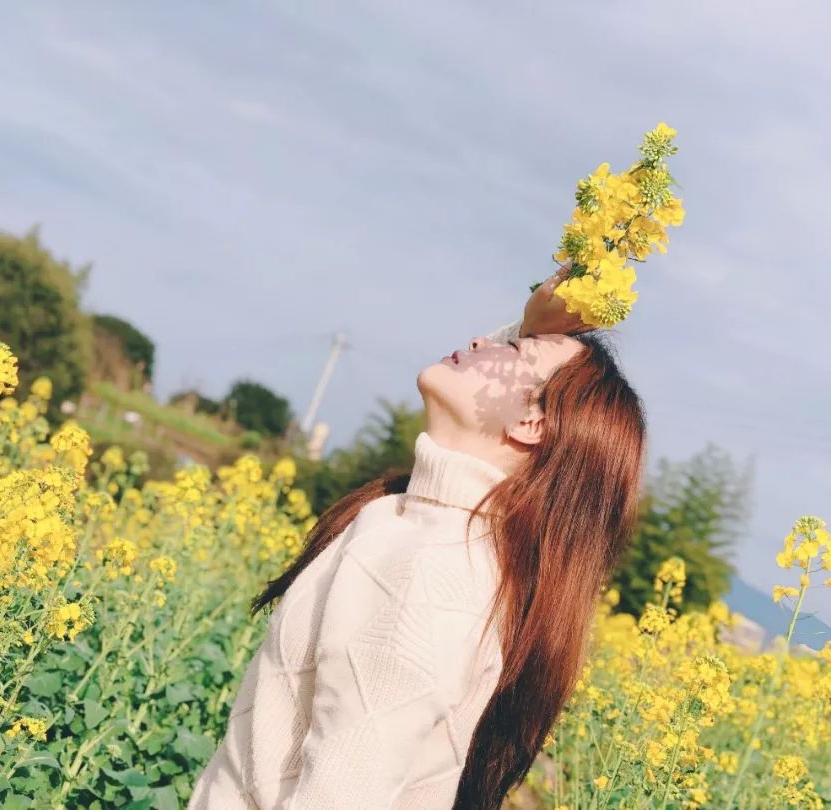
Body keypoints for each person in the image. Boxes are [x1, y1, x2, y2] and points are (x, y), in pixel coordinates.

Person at [187, 267, 647, 810]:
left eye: (516, 352)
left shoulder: (433, 570)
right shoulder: (424, 527)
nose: (480, 341)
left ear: (531, 423)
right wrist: (530, 325)